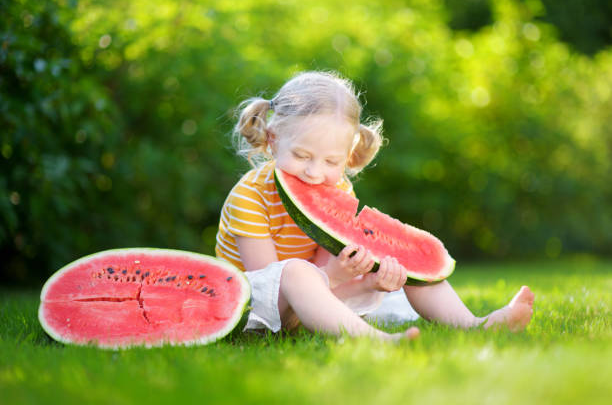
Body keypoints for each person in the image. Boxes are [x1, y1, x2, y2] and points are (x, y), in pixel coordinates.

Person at [215, 71, 534, 341]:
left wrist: (366, 279)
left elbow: (330, 263)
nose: (314, 173)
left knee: (405, 257)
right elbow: (266, 288)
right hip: (257, 312)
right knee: (296, 271)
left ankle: (474, 325)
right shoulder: (250, 198)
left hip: (318, 300)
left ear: (347, 154)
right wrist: (335, 275)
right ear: (272, 140)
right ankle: (377, 342)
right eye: (301, 156)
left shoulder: (338, 188)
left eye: (331, 161)